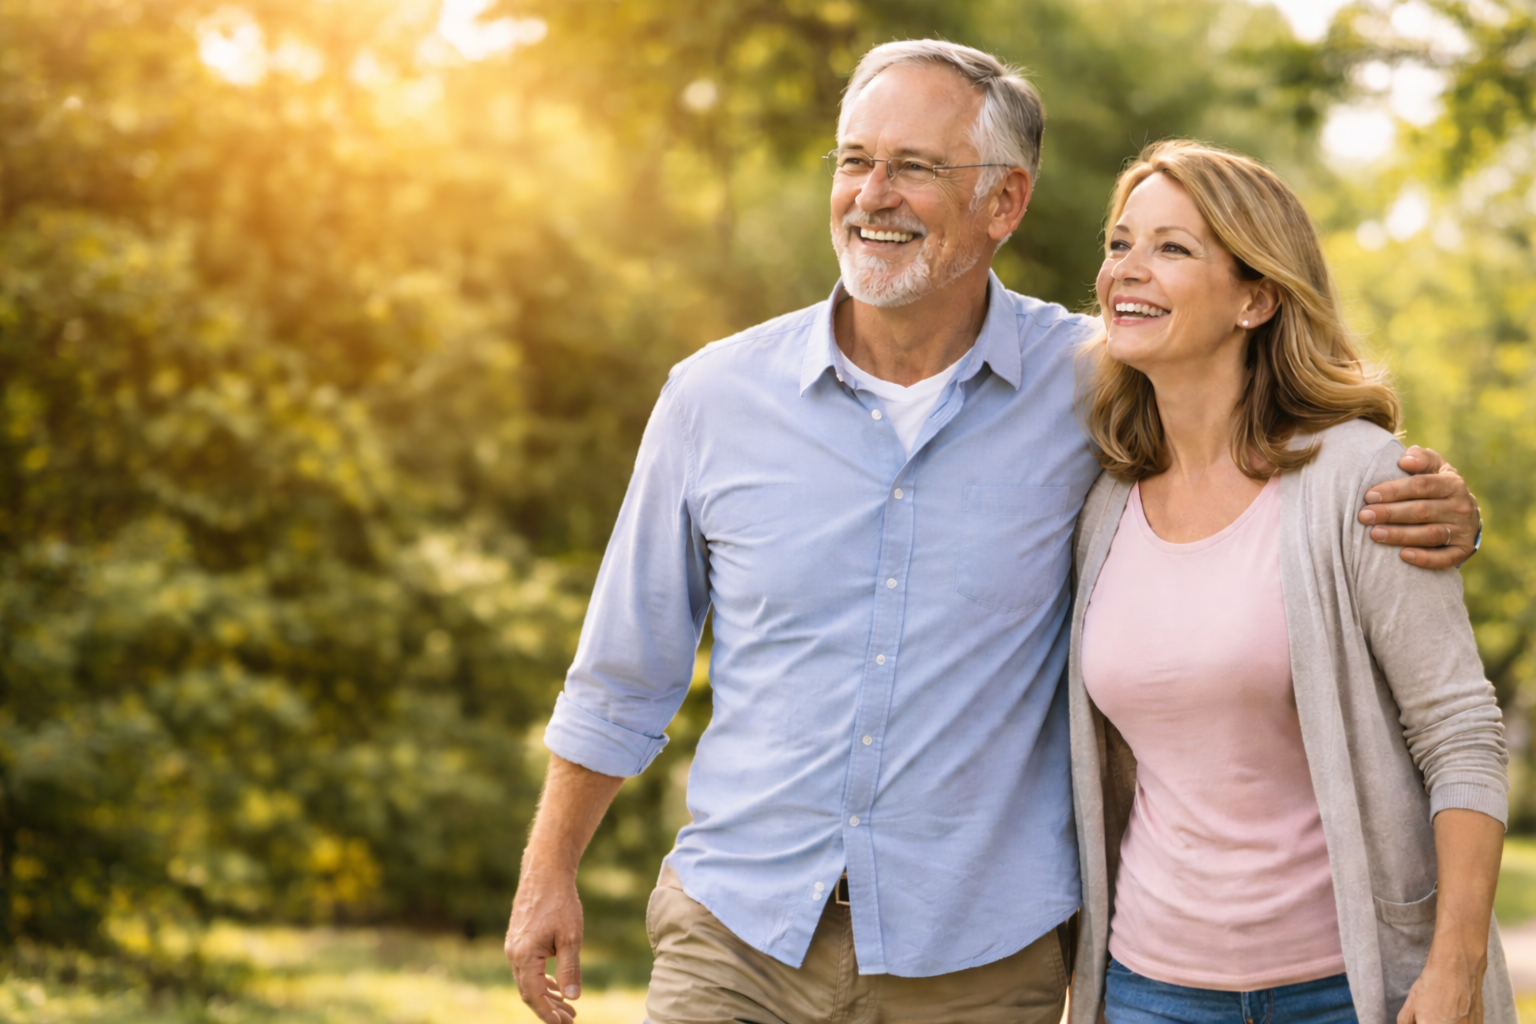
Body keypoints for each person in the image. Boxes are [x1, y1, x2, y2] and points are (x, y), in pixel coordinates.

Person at [505, 42, 1483, 1024]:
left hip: (978, 960)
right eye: (854, 160)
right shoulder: (715, 397)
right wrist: (549, 867)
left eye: (916, 167)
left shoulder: (1095, 388)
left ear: (1005, 203)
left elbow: (1245, 432)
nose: (872, 194)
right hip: (739, 936)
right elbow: (625, 667)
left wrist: (1434, 501)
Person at [1066, 140, 1512, 1024]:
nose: (1129, 270)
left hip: (1343, 988)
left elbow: (1460, 732)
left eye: (1172, 248)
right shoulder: (1099, 500)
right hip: (1148, 989)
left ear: (1257, 298)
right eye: (1120, 244)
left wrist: (1454, 963)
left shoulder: (1362, 482)